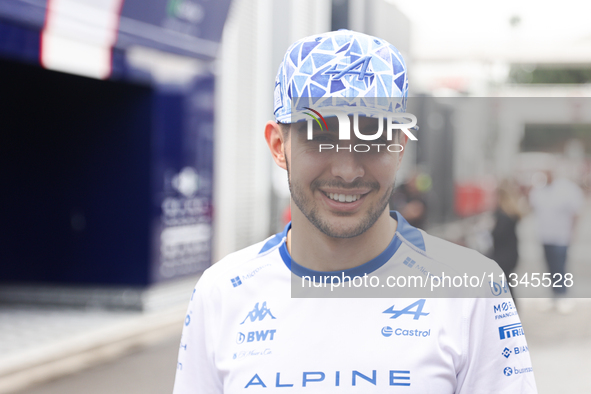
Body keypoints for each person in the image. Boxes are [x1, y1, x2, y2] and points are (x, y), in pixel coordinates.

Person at [173, 30, 537, 393]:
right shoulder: (221, 292)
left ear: (398, 148)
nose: (347, 171)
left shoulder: (471, 289)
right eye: (320, 135)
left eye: (372, 136)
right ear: (277, 145)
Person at [529, 168, 584, 313]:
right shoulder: (539, 190)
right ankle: (554, 293)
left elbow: (576, 212)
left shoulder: (566, 190)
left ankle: (562, 294)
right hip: (545, 235)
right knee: (550, 266)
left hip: (561, 236)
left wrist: (573, 232)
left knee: (560, 266)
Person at [491, 180, 524, 303]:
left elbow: (498, 234)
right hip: (511, 253)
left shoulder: (503, 215)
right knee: (507, 283)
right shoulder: (511, 212)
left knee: (504, 284)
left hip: (503, 255)